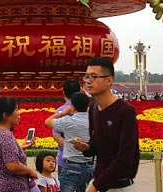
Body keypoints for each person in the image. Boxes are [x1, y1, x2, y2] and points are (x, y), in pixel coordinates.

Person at [73, 58, 139, 192]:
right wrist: (86, 147)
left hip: (119, 187)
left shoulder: (125, 112)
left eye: (94, 77)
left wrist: (96, 185)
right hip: (99, 184)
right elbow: (96, 145)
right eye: (86, 76)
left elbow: (125, 158)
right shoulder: (93, 109)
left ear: (109, 80)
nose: (88, 81)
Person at [0, 96, 38, 192]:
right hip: (9, 188)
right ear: (5, 115)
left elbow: (3, 157)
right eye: (16, 110)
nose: (19, 113)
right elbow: (12, 165)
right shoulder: (5, 134)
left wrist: (20, 148)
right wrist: (30, 171)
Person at [44, 91, 93, 192]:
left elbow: (47, 122)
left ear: (72, 107)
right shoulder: (93, 120)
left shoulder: (68, 121)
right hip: (90, 166)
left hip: (72, 167)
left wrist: (63, 112)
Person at [52, 79, 81, 176]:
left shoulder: (60, 111)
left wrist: (70, 149)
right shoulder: (87, 111)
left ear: (63, 92)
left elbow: (56, 135)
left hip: (65, 159)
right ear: (80, 91)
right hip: (84, 159)